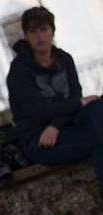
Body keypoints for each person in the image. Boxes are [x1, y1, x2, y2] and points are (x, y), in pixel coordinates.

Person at [6, 6, 102, 186]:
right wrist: (78, 103)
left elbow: (75, 97)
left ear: (52, 31)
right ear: (26, 36)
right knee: (98, 139)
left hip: (64, 126)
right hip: (38, 138)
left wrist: (56, 125)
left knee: (97, 107)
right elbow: (37, 112)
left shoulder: (64, 59)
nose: (39, 36)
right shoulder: (19, 71)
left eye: (44, 29)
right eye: (33, 31)